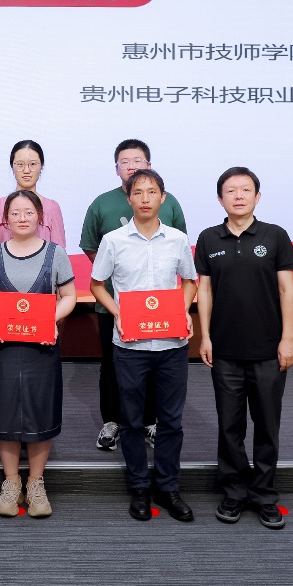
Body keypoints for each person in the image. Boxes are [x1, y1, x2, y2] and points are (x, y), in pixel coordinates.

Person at [89, 169, 198, 522]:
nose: (145, 198)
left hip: (171, 344)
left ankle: (168, 487)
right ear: (129, 198)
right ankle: (139, 487)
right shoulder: (113, 240)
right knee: (132, 421)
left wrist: (182, 310)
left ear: (162, 198)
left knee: (171, 421)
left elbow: (190, 281)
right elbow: (97, 285)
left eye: (152, 192)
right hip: (130, 345)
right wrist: (119, 313)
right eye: (138, 192)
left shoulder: (177, 239)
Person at [195, 166, 293, 530]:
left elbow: (287, 289)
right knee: (230, 426)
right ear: (220, 198)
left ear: (257, 196)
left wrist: (288, 339)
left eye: (245, 189)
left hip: (268, 350)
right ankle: (235, 491)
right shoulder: (209, 238)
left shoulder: (275, 235)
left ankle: (265, 494)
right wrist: (205, 336)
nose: (238, 196)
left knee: (267, 426)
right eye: (230, 190)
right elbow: (204, 290)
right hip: (224, 350)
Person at [79, 138, 188, 452]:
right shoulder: (101, 203)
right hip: (114, 304)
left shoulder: (170, 202)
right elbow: (91, 246)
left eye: (137, 160)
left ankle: (150, 422)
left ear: (149, 165)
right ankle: (112, 421)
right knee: (112, 364)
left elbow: (180, 247)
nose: (131, 166)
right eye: (124, 162)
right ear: (117, 169)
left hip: (162, 308)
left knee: (155, 365)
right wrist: (115, 268)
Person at [0, 190, 78, 518]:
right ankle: (11, 482)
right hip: (3, 347)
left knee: (40, 412)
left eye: (29, 212)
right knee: (5, 412)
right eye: (15, 213)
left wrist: (50, 319)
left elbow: (69, 296)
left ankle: (35, 482)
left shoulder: (55, 253)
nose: (22, 218)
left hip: (41, 348)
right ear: (5, 219)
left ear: (40, 217)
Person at [0, 140, 67, 249]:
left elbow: (60, 254)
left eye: (33, 164)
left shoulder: (51, 208)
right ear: (12, 166)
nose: (26, 170)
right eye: (20, 165)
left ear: (41, 166)